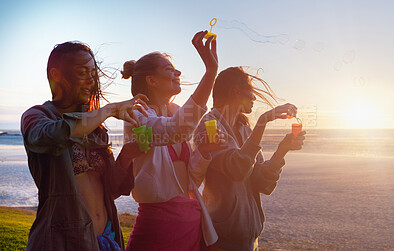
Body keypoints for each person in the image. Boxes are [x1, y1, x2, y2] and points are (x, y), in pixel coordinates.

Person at [21, 41, 148, 250]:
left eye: (93, 73)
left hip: (106, 239)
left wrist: (126, 156)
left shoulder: (95, 127)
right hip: (61, 240)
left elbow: (112, 190)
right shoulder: (37, 117)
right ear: (56, 75)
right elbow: (52, 135)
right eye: (82, 72)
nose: (91, 80)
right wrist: (109, 110)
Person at [122, 31, 223, 250]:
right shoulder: (136, 113)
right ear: (151, 81)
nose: (178, 72)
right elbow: (175, 129)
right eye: (169, 69)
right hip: (157, 226)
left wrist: (203, 152)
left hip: (190, 222)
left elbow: (191, 180)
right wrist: (210, 73)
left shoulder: (176, 111)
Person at [192, 67, 306, 251]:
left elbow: (261, 184)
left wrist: (281, 151)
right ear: (236, 92)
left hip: (249, 239)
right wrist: (262, 121)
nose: (254, 99)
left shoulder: (244, 128)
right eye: (251, 93)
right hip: (221, 240)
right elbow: (237, 169)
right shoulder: (209, 127)